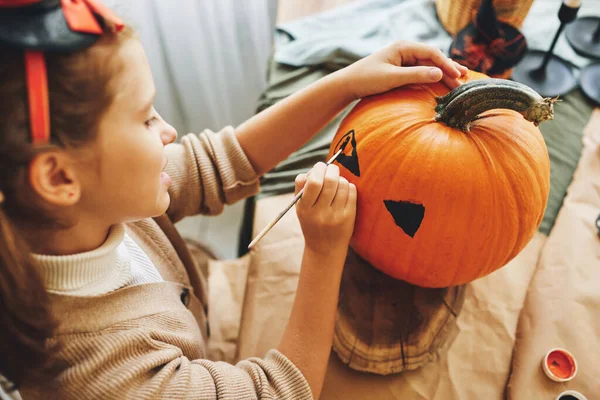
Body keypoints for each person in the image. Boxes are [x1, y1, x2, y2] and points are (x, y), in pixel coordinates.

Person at [0, 1, 467, 399]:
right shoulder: (111, 377)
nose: (168, 131)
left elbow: (221, 160)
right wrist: (324, 254)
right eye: (145, 119)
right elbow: (277, 390)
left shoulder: (81, 208)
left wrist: (349, 83)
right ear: (59, 176)